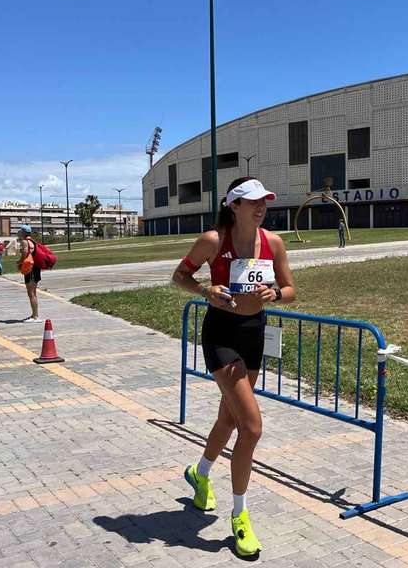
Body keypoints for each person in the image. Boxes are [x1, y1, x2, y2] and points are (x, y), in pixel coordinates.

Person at [172, 177, 296, 558]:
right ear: (233, 206)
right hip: (221, 335)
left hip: (253, 334)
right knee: (252, 426)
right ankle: (240, 516)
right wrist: (205, 291)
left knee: (229, 420)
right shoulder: (213, 240)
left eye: (265, 202)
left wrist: (274, 293)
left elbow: (291, 290)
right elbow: (179, 277)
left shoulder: (273, 243)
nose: (261, 207)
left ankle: (200, 473)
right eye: (253, 201)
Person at [16, 225, 40, 322]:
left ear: (23, 232)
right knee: (33, 292)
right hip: (36, 268)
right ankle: (35, 314)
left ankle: (35, 316)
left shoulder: (24, 242)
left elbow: (25, 254)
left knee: (31, 293)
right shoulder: (33, 241)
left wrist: (19, 262)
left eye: (20, 231)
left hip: (30, 269)